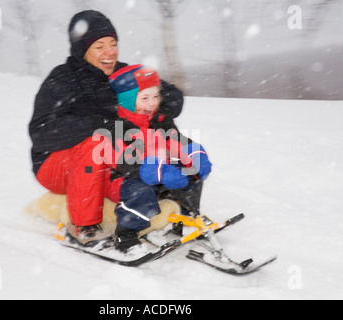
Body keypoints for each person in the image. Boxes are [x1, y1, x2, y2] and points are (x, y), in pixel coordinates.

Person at [28, 10, 184, 245]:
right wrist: (97, 124)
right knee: (95, 143)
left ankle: (169, 203)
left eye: (113, 44)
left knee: (160, 127)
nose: (109, 52)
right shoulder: (62, 78)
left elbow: (171, 95)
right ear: (82, 49)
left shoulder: (125, 74)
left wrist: (154, 110)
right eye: (99, 46)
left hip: (113, 160)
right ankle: (84, 226)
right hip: (56, 164)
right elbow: (41, 133)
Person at [93, 65, 212, 252]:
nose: (152, 103)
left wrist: (194, 155)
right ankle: (126, 235)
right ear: (128, 100)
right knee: (140, 191)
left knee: (191, 174)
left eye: (155, 97)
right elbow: (122, 160)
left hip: (157, 171)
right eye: (145, 98)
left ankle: (186, 218)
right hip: (120, 177)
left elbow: (175, 141)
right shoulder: (114, 126)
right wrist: (158, 171)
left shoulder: (159, 119)